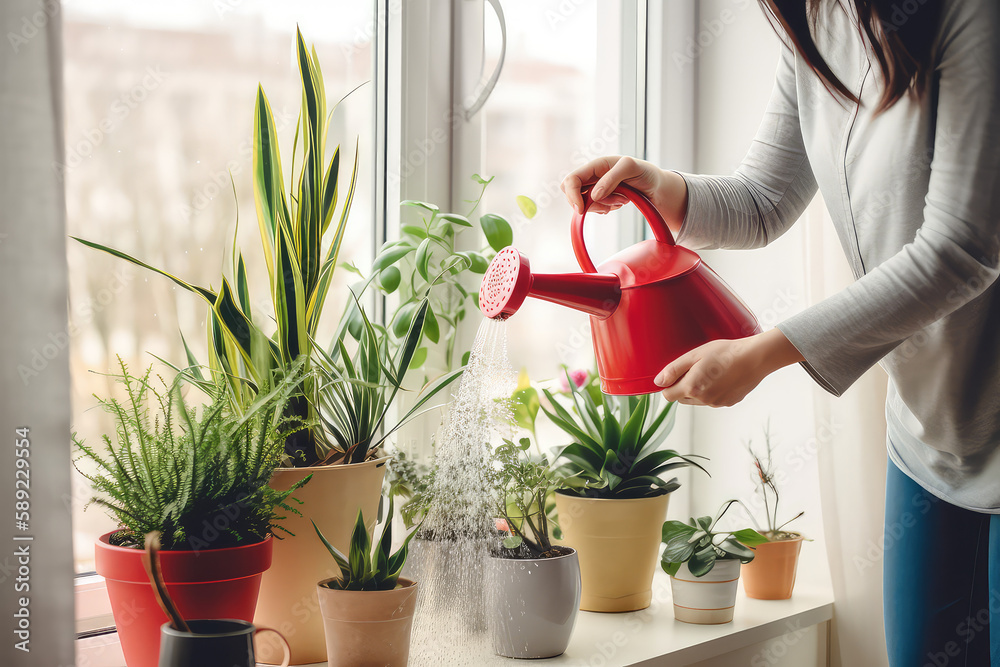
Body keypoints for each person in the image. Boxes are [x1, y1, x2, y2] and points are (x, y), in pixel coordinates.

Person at [561, 0, 999, 664]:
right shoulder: (815, 24)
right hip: (929, 434)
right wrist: (659, 186)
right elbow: (765, 199)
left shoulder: (971, 15)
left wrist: (763, 354)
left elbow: (960, 249)